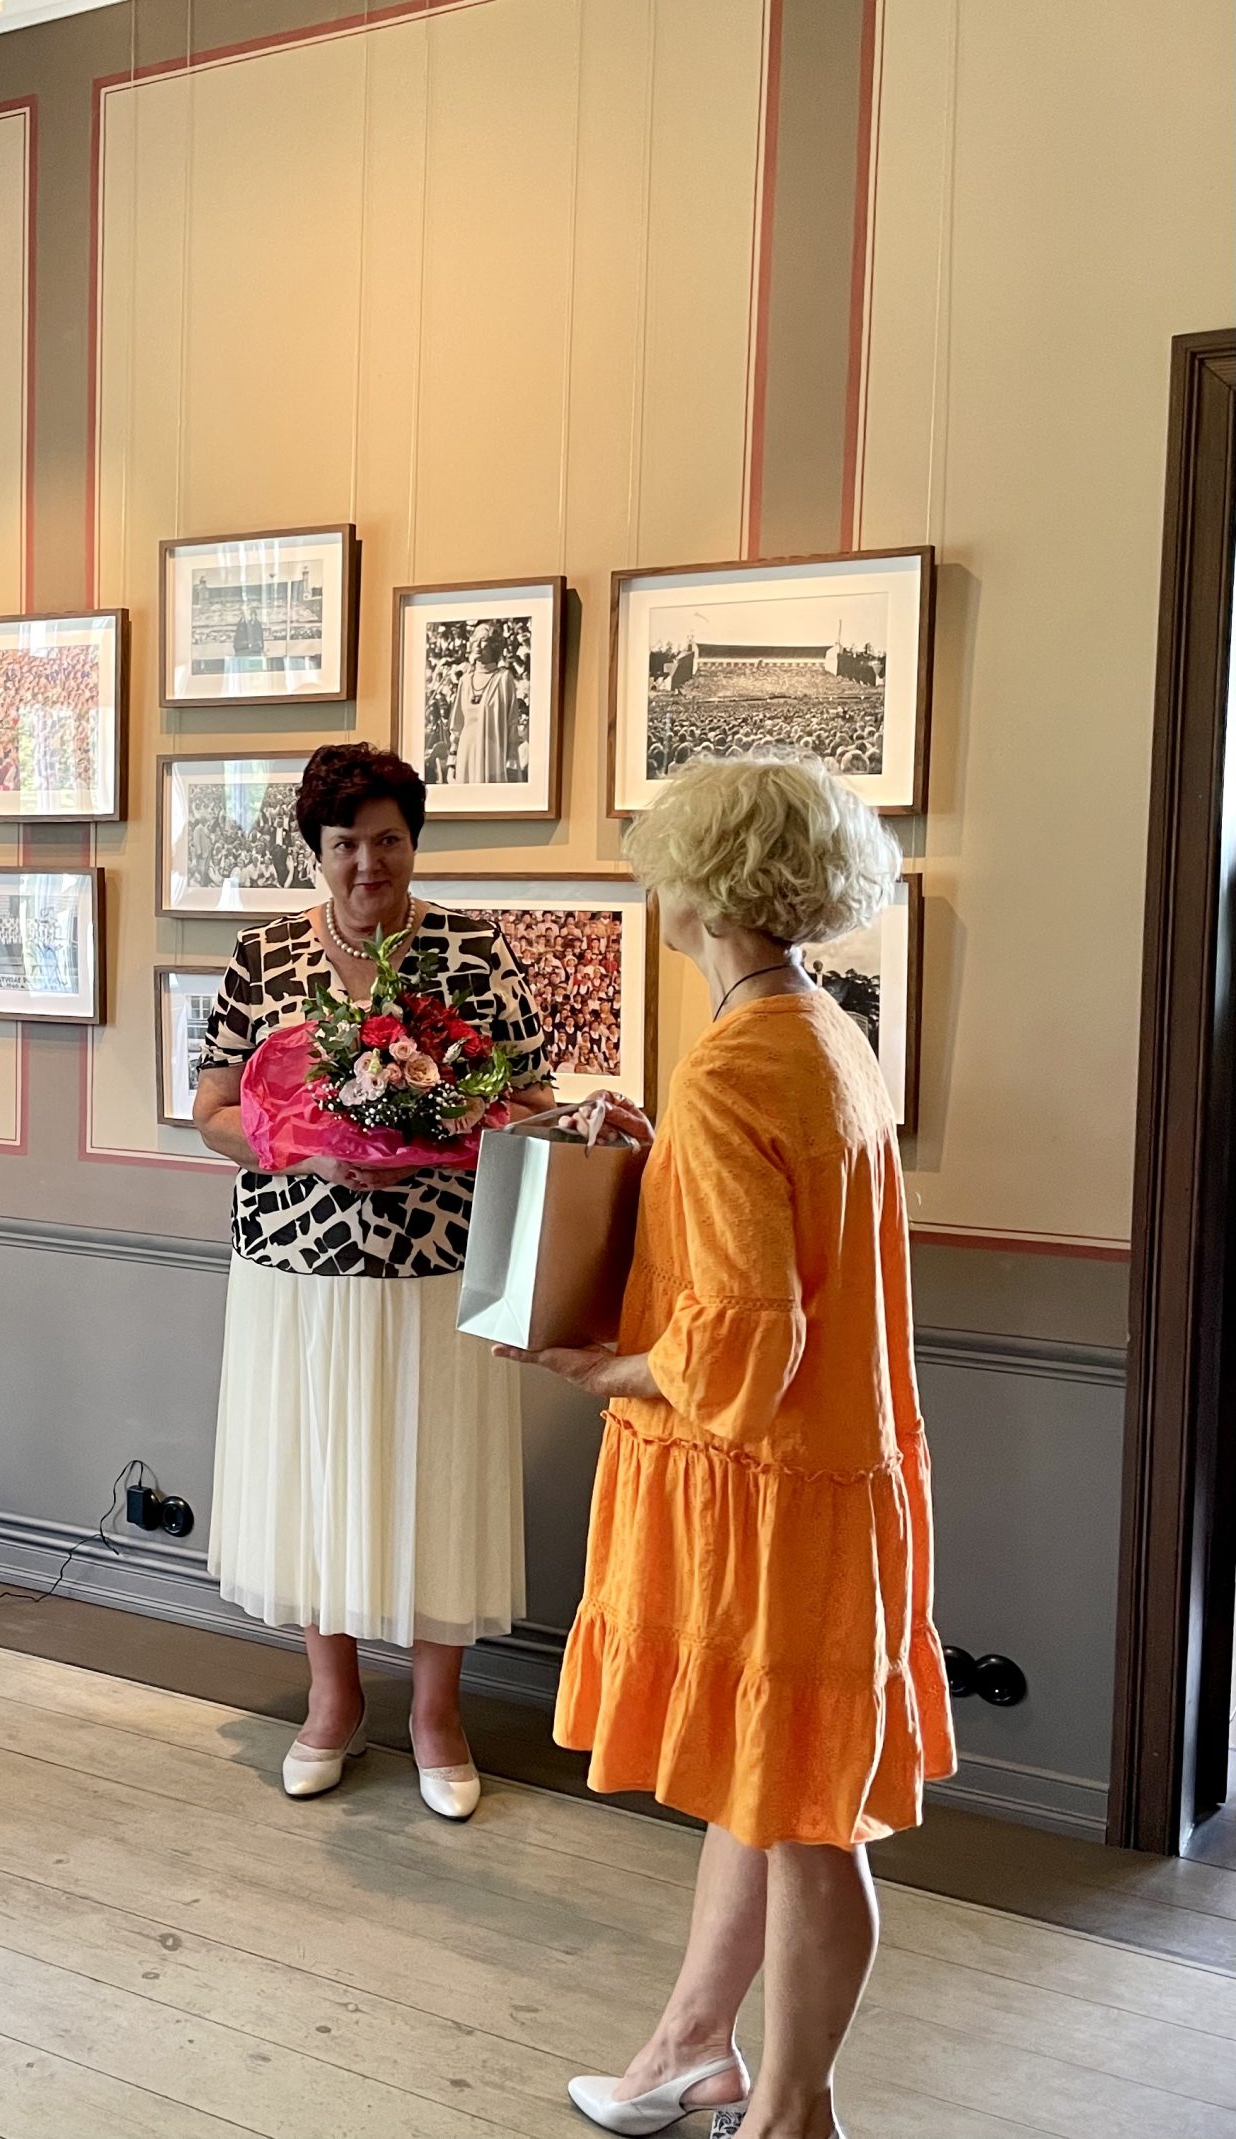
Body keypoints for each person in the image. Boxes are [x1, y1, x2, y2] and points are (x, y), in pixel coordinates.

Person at [499, 756, 953, 2139]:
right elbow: (782, 1257)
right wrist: (657, 1165)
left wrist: (603, 1366)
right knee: (772, 1782)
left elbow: (746, 1340)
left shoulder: (737, 1064)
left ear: (700, 886)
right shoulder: (819, 1032)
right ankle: (693, 2048)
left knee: (808, 1810)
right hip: (829, 1477)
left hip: (768, 1491)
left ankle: (795, 2112)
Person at [190, 743, 556, 1819]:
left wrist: (443, 1123)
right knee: (319, 1474)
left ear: (414, 843)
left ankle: (436, 1714)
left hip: (439, 1265)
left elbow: (535, 1099)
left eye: (388, 840)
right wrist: (305, 1152)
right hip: (296, 1266)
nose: (368, 864)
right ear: (316, 847)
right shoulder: (263, 955)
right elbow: (211, 1110)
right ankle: (332, 1700)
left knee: (437, 1477)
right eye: (346, 842)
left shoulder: (472, 948)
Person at [452, 620, 522, 785]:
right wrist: (452, 761)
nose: (477, 645)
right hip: (466, 753)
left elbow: (512, 722)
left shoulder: (504, 679)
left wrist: (512, 760)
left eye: (483, 641)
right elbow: (457, 725)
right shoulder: (465, 681)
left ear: (494, 646)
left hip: (493, 755)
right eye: (475, 640)